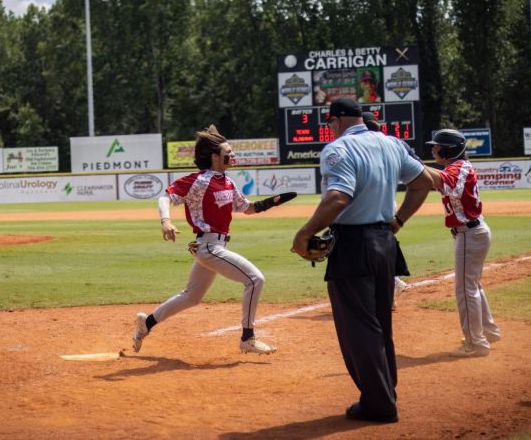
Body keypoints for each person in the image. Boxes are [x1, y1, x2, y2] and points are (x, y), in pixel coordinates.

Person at [292, 98, 432, 423]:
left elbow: (339, 196)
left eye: (329, 123)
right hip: (386, 241)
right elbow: (424, 182)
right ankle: (385, 393)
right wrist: (398, 221)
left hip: (354, 243)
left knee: (360, 329)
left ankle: (379, 404)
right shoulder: (391, 143)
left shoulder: (338, 148)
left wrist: (305, 232)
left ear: (336, 121)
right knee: (381, 325)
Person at [132, 125, 295, 355]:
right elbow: (165, 196)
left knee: (191, 296)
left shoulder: (227, 181)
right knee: (255, 279)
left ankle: (146, 323)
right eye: (228, 152)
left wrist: (271, 202)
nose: (233, 155)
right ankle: (247, 338)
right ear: (214, 157)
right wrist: (165, 221)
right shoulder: (199, 181)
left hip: (213, 246)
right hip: (208, 246)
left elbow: (247, 208)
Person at [423, 129, 500, 358]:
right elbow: (437, 180)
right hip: (471, 233)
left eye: (437, 146)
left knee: (465, 290)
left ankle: (476, 343)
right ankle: (488, 330)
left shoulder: (457, 168)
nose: (434, 149)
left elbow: (440, 180)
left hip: (469, 234)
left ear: (449, 149)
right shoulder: (457, 167)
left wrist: (411, 163)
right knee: (473, 285)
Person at [361, 112, 411, 308]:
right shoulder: (394, 144)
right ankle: (391, 287)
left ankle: (393, 283)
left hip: (375, 205)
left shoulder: (364, 147)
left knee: (369, 248)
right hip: (388, 203)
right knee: (382, 246)